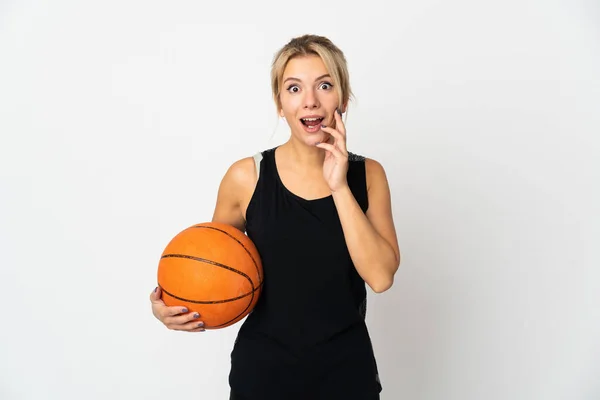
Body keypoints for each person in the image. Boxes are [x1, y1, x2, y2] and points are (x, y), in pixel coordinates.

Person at [150, 34, 400, 399]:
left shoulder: (369, 176)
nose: (310, 101)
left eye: (324, 85)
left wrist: (339, 187)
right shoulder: (245, 177)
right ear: (280, 104)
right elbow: (209, 272)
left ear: (343, 98)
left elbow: (380, 278)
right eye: (294, 88)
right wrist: (170, 306)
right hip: (263, 373)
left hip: (347, 372)